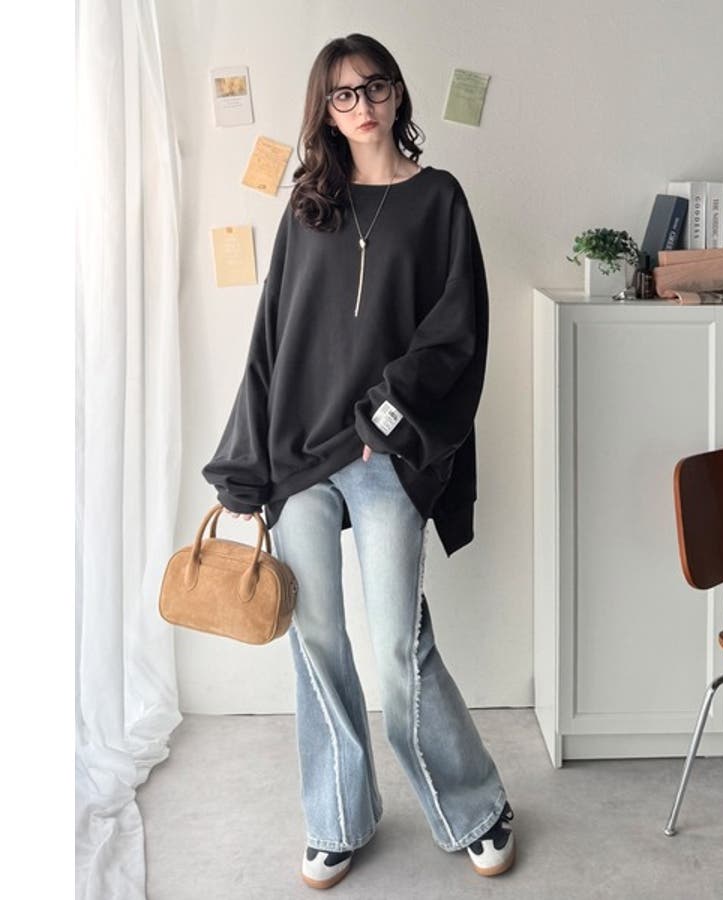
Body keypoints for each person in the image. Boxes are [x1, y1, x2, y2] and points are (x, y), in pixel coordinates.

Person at [201, 33, 515, 891]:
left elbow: (458, 330)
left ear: (398, 94)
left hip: (385, 453)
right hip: (299, 454)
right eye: (343, 94)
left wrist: (387, 411)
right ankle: (337, 818)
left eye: (375, 87)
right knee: (316, 638)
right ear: (326, 111)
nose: (362, 105)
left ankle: (477, 805)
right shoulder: (309, 208)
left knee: (397, 647)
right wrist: (245, 469)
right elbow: (271, 341)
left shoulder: (439, 199)